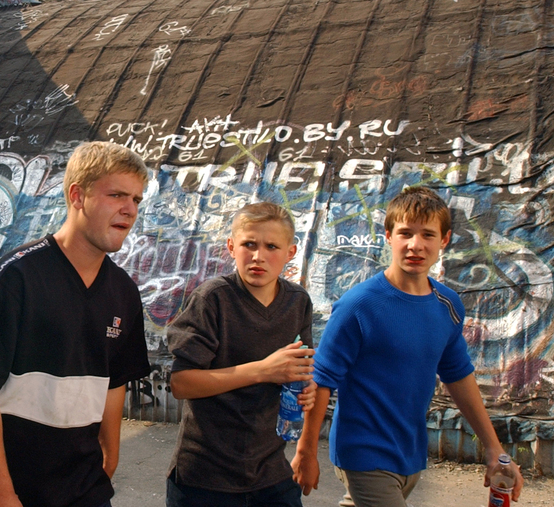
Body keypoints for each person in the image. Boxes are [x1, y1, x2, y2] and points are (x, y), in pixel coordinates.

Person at [0, 141, 152, 507]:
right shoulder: (15, 278)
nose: (129, 210)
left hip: (85, 491)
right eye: (117, 195)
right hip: (9, 493)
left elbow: (115, 380)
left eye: (136, 199)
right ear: (77, 196)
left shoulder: (124, 292)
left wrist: (110, 455)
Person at [292, 186, 525, 506]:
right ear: (389, 236)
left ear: (444, 240)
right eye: (405, 233)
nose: (416, 244)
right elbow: (322, 380)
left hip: (411, 454)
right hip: (363, 453)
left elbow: (458, 375)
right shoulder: (358, 305)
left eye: (428, 235)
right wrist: (305, 452)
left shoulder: (448, 305)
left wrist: (494, 448)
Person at [165, 201, 316, 507]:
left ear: (290, 253)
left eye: (271, 246)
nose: (259, 256)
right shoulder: (212, 299)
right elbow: (182, 384)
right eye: (249, 244)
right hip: (206, 478)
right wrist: (263, 370)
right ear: (232, 247)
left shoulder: (297, 302)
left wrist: (305, 390)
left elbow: (300, 370)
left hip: (271, 472)